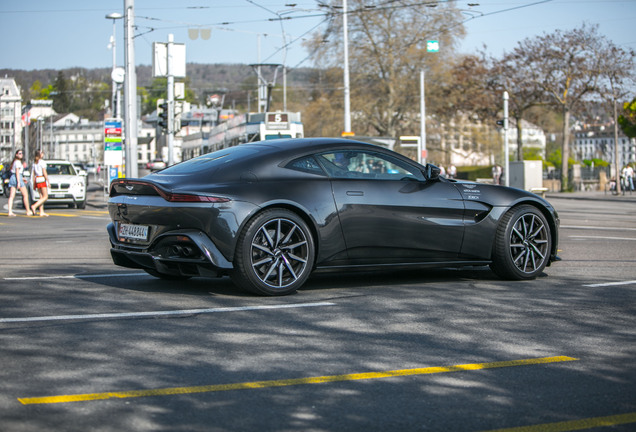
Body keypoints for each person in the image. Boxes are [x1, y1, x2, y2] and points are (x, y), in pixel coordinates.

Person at [7, 150, 33, 217]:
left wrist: (22, 178)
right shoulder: (18, 162)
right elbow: (17, 172)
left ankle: (10, 211)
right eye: (19, 153)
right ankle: (28, 210)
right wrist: (19, 182)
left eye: (21, 153)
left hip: (13, 177)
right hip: (17, 178)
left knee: (11, 196)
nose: (21, 154)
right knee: (25, 195)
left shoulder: (15, 162)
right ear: (16, 155)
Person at [30, 149, 49, 217]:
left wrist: (33, 183)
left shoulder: (35, 163)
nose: (43, 154)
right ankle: (34, 206)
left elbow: (33, 174)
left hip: (37, 179)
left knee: (41, 196)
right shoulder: (42, 162)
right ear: (39, 155)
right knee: (45, 196)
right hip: (41, 179)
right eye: (42, 153)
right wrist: (48, 181)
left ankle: (41, 211)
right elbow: (44, 172)